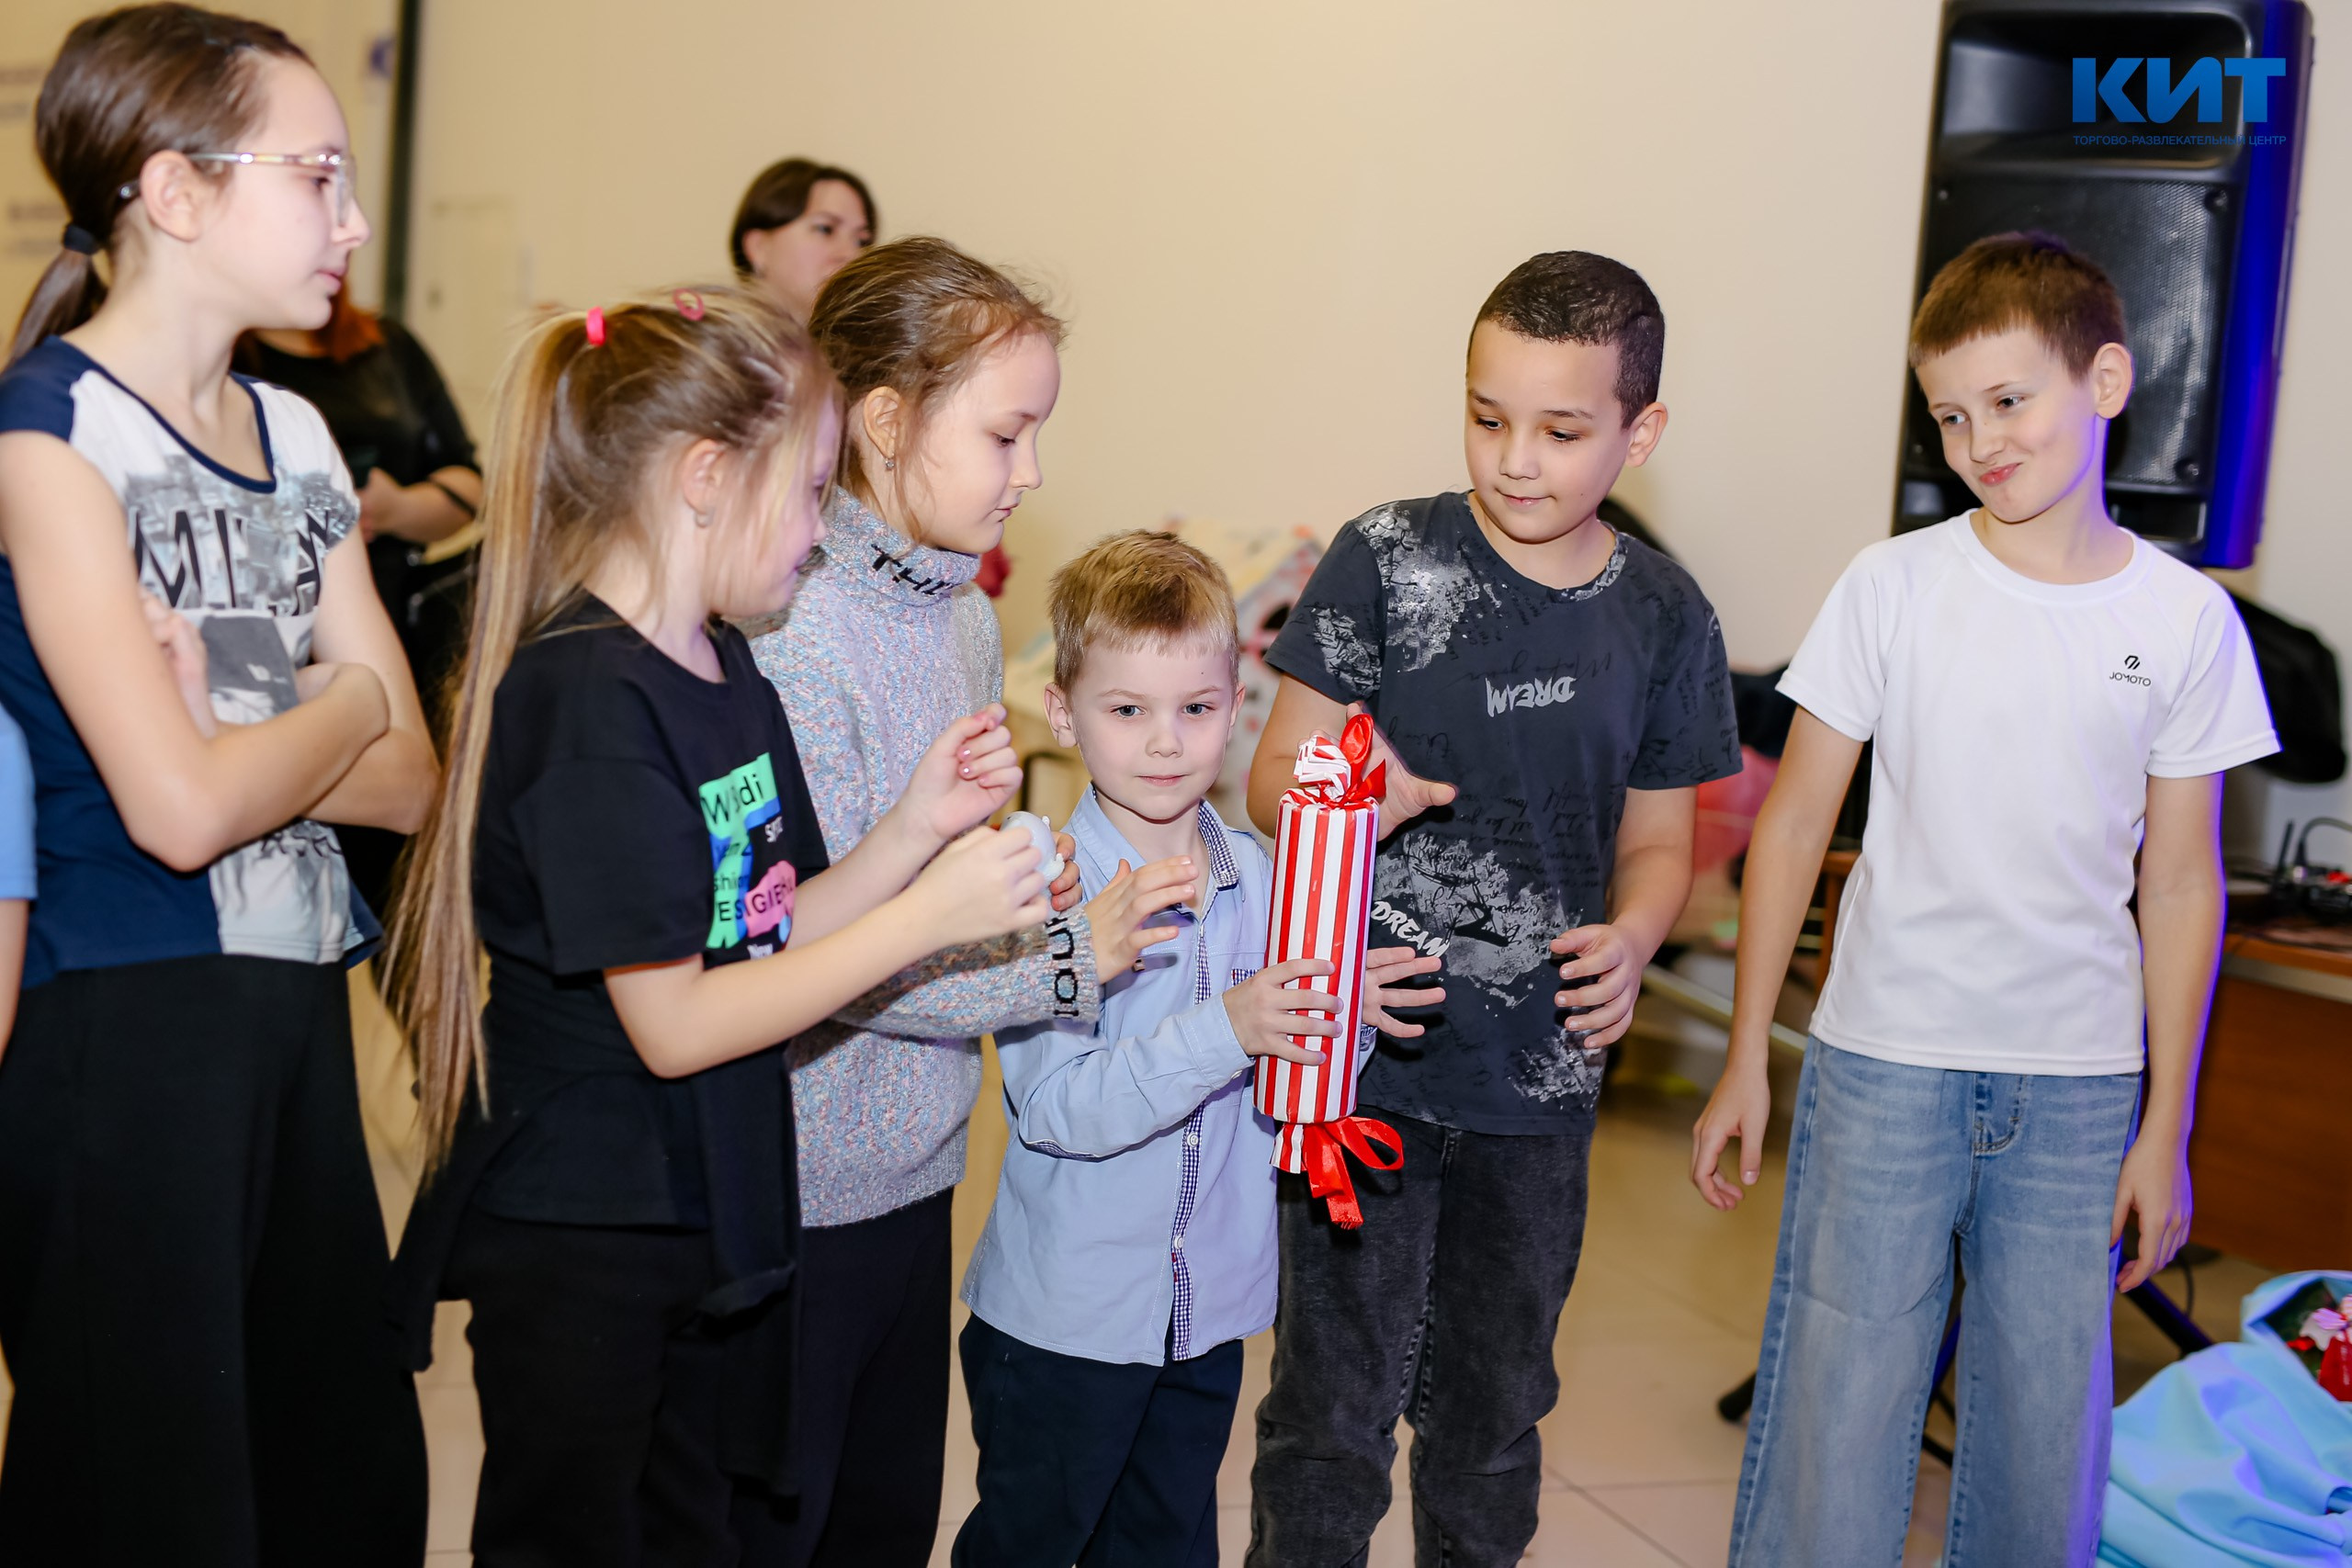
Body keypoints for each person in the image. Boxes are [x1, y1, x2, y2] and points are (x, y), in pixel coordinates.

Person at [381, 286, 1055, 1567]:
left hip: (702, 1201)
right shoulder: (586, 696)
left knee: (691, 1522)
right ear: (704, 476)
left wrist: (913, 830)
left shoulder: (719, 660)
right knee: (579, 1530)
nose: (819, 529)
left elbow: (771, 914)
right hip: (587, 1225)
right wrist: (930, 911)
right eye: (807, 490)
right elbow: (680, 1018)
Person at [1690, 231, 2279, 1565]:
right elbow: (1790, 830)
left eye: (2010, 400)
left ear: (2107, 378)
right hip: (1883, 1059)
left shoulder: (2189, 623)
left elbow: (2180, 885)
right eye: (1952, 414)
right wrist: (1743, 1060)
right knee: (1839, 1399)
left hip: (2076, 1087)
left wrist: (2165, 1123)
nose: (1980, 440)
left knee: (2039, 1426)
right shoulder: (1892, 585)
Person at [0, 8, 437, 1563]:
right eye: (318, 175)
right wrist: (345, 693)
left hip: (293, 1007)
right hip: (125, 1025)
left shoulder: (297, 429)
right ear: (174, 193)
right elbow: (176, 813)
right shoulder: (47, 434)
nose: (355, 219)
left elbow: (410, 779)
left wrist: (277, 734)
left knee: (340, 1483)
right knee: (150, 1497)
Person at [1244, 251, 1742, 1566]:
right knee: (1331, 1403)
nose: (1516, 458)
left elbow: (1661, 842)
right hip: (1364, 1057)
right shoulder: (1385, 557)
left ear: (1642, 432)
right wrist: (1354, 797)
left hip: (1542, 1078)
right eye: (1486, 415)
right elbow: (1266, 781)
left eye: (1563, 430)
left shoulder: (1664, 614)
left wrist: (1636, 934)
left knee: (1494, 1400)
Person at [737, 235, 1182, 1567]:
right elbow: (827, 945)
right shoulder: (794, 627)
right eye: (1006, 434)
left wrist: (1034, 892)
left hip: (917, 1165)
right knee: (782, 1517)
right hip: (798, 1180)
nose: (1030, 471)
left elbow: (952, 885)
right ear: (883, 421)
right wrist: (1071, 955)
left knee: (879, 1521)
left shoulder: (959, 616)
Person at [954, 530, 1442, 1567]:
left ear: (1238, 703)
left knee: (1168, 1546)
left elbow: (1297, 1094)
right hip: (1061, 1325)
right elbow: (1058, 1111)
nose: (1166, 743)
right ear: (1063, 712)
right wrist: (1228, 1028)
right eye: (1126, 710)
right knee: (1031, 1545)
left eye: (1197, 709)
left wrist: (1343, 1019)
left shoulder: (1273, 879)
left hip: (1205, 1317)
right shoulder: (1041, 884)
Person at [240, 286, 483, 909]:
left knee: (397, 873)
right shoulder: (235, 369)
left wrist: (400, 508)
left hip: (390, 612)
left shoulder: (385, 345)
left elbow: (467, 477)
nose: (349, 229)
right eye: (317, 188)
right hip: (276, 647)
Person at [730, 158, 877, 326]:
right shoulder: (706, 343)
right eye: (826, 229)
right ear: (758, 247)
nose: (853, 255)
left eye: (862, 241)